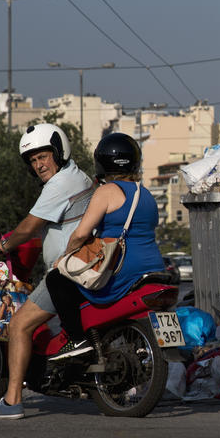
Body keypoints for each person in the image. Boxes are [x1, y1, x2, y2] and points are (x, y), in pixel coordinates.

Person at [0, 123, 93, 422]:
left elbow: (28, 227)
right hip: (86, 268)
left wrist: (5, 245)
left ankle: (12, 400)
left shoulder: (60, 183)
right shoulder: (79, 177)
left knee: (19, 326)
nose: (39, 164)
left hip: (67, 273)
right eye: (33, 160)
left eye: (43, 156)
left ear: (59, 152)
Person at [45, 132, 165, 360]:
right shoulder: (147, 195)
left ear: (100, 162)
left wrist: (65, 257)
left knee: (57, 279)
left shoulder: (106, 192)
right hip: (154, 268)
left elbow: (80, 235)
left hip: (120, 270)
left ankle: (77, 339)